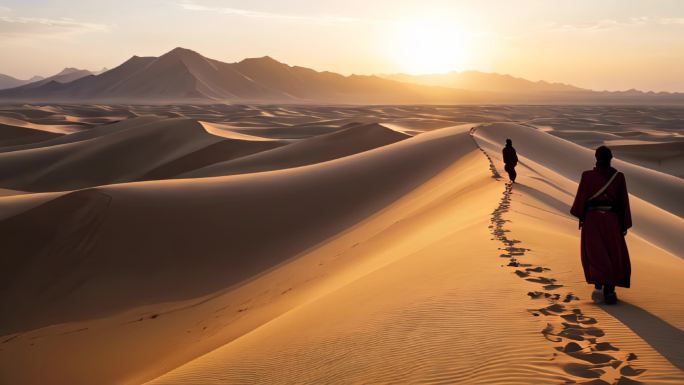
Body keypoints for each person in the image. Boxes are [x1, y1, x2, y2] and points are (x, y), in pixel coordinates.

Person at [570, 146, 632, 305]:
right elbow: (623, 202)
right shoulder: (618, 177)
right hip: (611, 220)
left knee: (595, 253)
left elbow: (581, 199)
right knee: (613, 254)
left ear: (596, 158)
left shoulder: (587, 176)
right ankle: (609, 291)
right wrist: (624, 223)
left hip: (592, 220)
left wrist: (582, 216)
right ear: (611, 158)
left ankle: (599, 283)